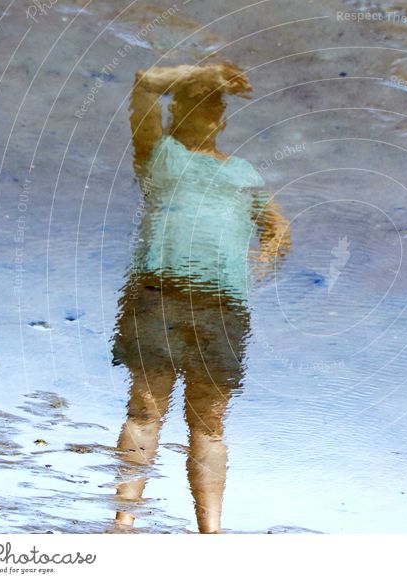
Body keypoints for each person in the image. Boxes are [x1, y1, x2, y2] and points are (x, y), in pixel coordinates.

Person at [111, 63, 290, 533]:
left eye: (213, 105)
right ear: (176, 110)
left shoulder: (245, 172)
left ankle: (210, 533)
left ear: (223, 118)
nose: (205, 112)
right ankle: (124, 520)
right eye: (194, 102)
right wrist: (205, 70)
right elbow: (143, 81)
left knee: (209, 421)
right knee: (147, 407)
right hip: (158, 290)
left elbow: (277, 227)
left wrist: (261, 262)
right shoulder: (158, 154)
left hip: (223, 304)